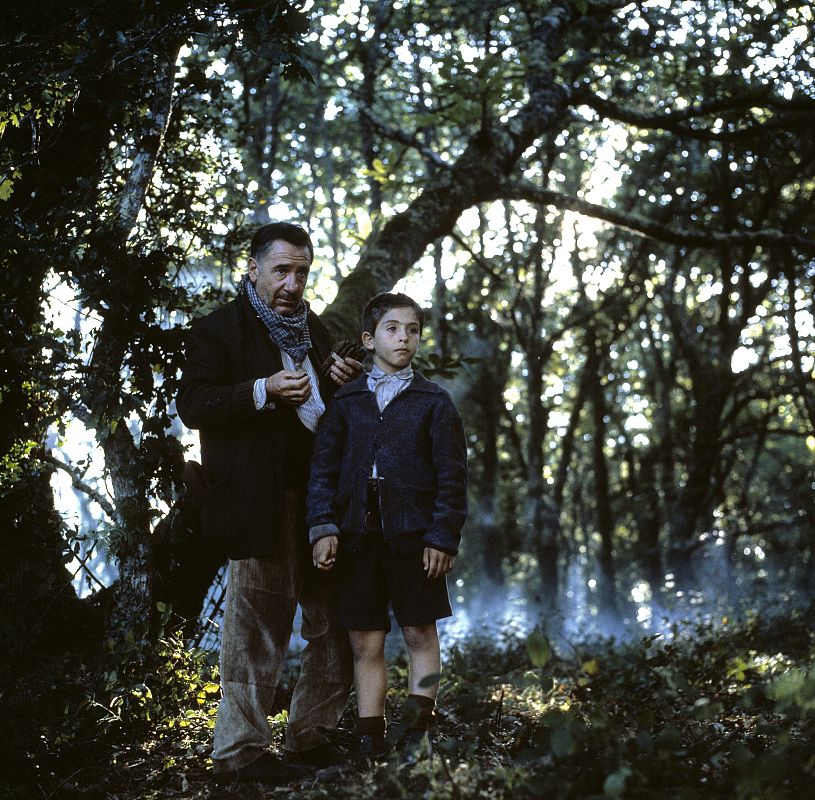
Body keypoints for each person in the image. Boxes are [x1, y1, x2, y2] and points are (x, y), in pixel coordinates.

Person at [176, 222, 362, 785]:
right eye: (281, 269)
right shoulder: (219, 330)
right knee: (256, 624)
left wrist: (336, 378)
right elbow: (194, 404)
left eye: (302, 271)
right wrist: (261, 391)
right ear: (253, 268)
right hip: (257, 500)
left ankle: (313, 735)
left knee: (336, 618)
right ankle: (240, 751)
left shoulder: (316, 330)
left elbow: (321, 414)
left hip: (322, 500)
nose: (291, 282)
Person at [306, 292, 468, 761]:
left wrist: (441, 536)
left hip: (414, 539)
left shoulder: (433, 401)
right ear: (368, 338)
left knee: (420, 632)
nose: (404, 337)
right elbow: (322, 470)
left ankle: (419, 729)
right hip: (357, 540)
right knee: (364, 640)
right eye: (392, 328)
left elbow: (452, 477)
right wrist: (323, 526)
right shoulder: (346, 401)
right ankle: (369, 735)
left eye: (412, 329)